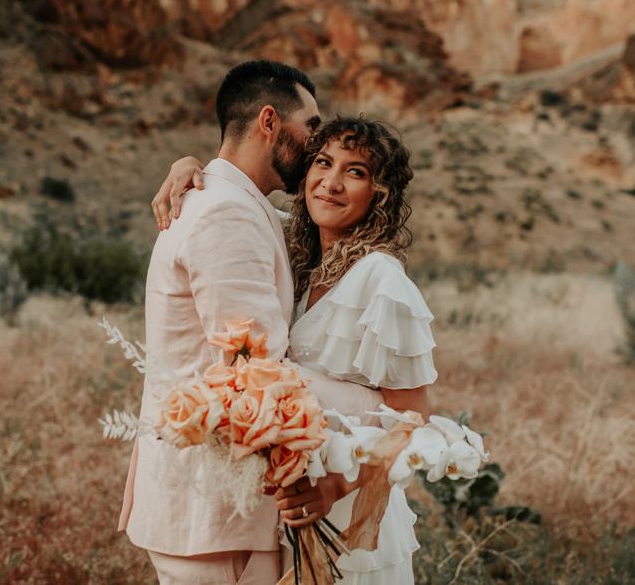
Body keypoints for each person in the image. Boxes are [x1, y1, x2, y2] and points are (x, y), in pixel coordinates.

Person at [153, 116, 437, 584]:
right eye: (323, 163)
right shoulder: (300, 255)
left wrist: (336, 485)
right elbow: (232, 206)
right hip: (291, 516)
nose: (331, 183)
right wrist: (190, 168)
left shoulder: (382, 282)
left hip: (349, 516)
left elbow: (413, 421)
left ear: (380, 194)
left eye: (356, 172)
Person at [119, 59, 321, 585]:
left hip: (215, 513)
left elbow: (323, 224)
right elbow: (255, 368)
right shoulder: (226, 213)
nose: (319, 146)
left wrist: (190, 161)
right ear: (270, 122)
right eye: (312, 128)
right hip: (215, 514)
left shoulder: (230, 201)